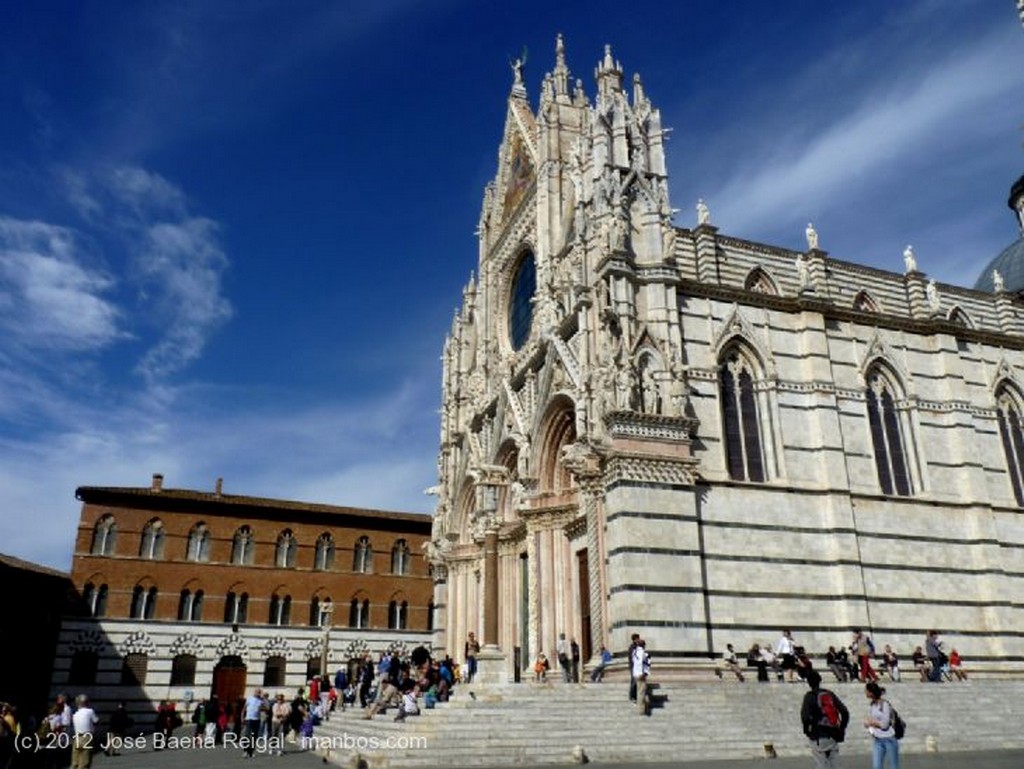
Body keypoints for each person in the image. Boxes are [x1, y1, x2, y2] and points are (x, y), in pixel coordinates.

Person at [800, 670, 849, 769]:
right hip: (833, 734)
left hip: (818, 735)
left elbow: (805, 717)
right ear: (820, 680)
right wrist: (841, 729)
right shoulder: (829, 693)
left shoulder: (809, 696)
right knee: (835, 764)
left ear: (808, 682)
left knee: (821, 764)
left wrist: (807, 732)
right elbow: (844, 712)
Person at [864, 682, 900, 769]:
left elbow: (885, 725)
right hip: (878, 740)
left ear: (871, 692)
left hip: (889, 739)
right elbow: (876, 720)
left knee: (893, 766)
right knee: (876, 766)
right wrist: (869, 725)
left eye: (866, 691)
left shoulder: (884, 705)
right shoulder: (873, 705)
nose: (865, 692)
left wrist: (871, 723)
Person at [70, 694, 98, 769]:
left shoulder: (75, 714)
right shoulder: (90, 711)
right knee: (85, 762)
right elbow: (96, 721)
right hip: (87, 737)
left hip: (77, 738)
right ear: (87, 702)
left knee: (75, 762)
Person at [242, 688, 263, 758]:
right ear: (254, 692)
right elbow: (244, 708)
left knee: (254, 736)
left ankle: (251, 752)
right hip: (249, 719)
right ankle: (245, 751)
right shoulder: (249, 698)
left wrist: (262, 708)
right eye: (257, 692)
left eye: (259, 692)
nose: (258, 693)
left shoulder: (261, 700)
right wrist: (242, 717)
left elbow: (267, 708)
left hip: (257, 719)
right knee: (247, 735)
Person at [632, 640, 651, 714]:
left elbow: (634, 662)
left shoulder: (634, 652)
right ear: (643, 645)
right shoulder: (642, 652)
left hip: (635, 673)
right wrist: (642, 673)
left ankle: (640, 708)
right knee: (641, 693)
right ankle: (641, 711)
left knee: (639, 691)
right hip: (640, 674)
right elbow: (640, 663)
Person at [627, 633, 641, 700]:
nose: (639, 639)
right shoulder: (632, 647)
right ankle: (632, 696)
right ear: (635, 639)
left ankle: (634, 695)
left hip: (635, 666)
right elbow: (633, 658)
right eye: (638, 638)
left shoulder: (636, 646)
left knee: (635, 681)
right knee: (634, 681)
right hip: (633, 666)